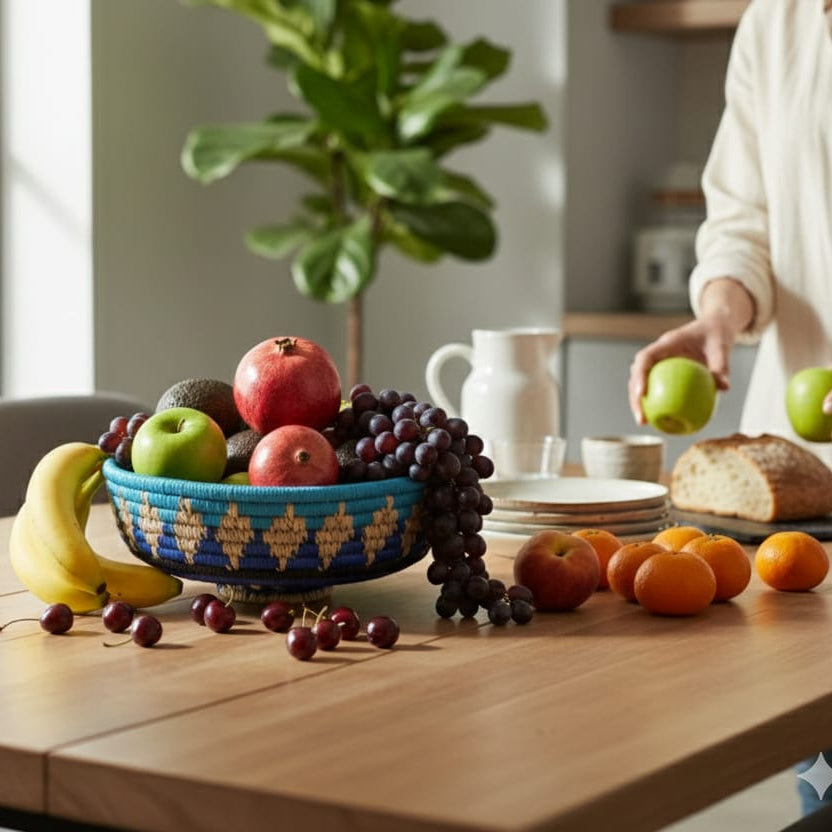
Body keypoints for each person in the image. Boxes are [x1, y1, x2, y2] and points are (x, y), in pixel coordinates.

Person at [628, 0, 832, 818]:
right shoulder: (777, 21)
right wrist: (720, 311)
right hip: (809, 516)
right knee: (820, 787)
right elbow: (742, 223)